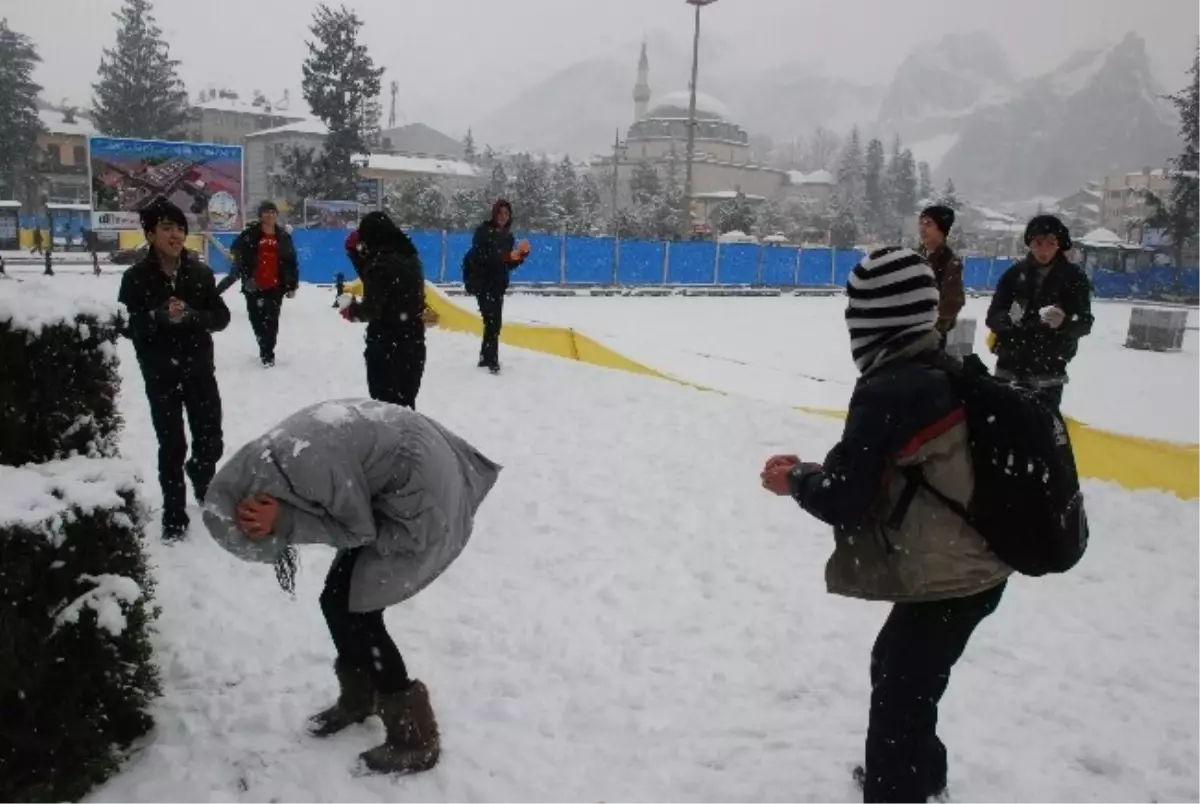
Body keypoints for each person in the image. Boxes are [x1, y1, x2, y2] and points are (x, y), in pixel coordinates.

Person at [760, 247, 1011, 804]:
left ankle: (898, 787)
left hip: (953, 572)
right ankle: (924, 775)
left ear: (873, 319)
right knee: (904, 673)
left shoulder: (890, 388)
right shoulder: (941, 365)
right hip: (979, 562)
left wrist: (796, 479)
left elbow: (845, 499)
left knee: (901, 689)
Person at [200, 398, 502, 774]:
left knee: (359, 612)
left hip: (420, 500)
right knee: (335, 601)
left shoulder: (305, 465)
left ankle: (415, 738)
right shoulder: (270, 463)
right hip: (402, 480)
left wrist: (284, 520)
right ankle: (361, 697)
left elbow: (357, 530)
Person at [118, 197, 231, 540]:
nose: (176, 235)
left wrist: (194, 317)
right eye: (167, 228)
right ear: (151, 234)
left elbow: (221, 317)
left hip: (199, 371)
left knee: (210, 439)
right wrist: (156, 317)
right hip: (160, 374)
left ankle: (201, 472)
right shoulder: (136, 278)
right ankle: (174, 512)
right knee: (172, 446)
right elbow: (126, 325)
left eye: (180, 228)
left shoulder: (199, 274)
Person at [985, 214, 1093, 410]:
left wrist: (1065, 323)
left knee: (1042, 429)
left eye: (1050, 243)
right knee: (1003, 425)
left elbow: (1085, 323)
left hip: (1049, 369)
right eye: (1038, 243)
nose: (1043, 250)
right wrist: (1005, 322)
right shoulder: (1014, 275)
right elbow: (994, 314)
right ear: (1029, 243)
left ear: (1059, 244)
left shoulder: (1074, 278)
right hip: (1010, 365)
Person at [340, 212, 435, 409]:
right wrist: (356, 256)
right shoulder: (411, 258)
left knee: (384, 409)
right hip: (413, 341)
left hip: (386, 344)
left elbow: (372, 308)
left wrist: (351, 311)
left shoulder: (379, 263)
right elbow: (379, 279)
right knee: (405, 407)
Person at [217, 201, 299, 367]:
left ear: (276, 214)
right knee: (256, 319)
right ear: (260, 215)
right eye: (266, 212)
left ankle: (268, 352)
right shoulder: (250, 234)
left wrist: (292, 285)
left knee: (272, 320)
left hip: (276, 285)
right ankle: (263, 344)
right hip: (254, 284)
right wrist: (248, 276)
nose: (270, 215)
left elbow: (291, 261)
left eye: (272, 212)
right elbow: (237, 252)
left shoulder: (283, 236)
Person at [465, 199, 526, 374]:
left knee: (493, 321)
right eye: (500, 213)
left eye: (506, 214)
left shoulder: (508, 236)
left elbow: (507, 264)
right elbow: (484, 256)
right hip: (482, 282)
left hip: (498, 285)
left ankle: (487, 357)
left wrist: (521, 256)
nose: (503, 217)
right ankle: (491, 359)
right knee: (491, 319)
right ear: (494, 214)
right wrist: (506, 256)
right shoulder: (483, 232)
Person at [917, 205, 965, 338]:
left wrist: (928, 322)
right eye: (921, 223)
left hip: (931, 335)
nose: (922, 228)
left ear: (941, 229)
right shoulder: (914, 256)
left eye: (928, 224)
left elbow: (952, 302)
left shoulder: (950, 262)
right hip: (906, 332)